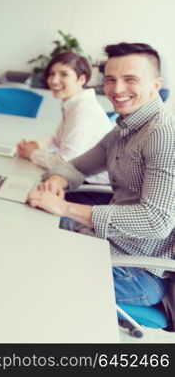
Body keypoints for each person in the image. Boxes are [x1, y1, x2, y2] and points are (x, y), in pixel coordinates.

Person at [27, 43, 175, 309]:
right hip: (107, 244)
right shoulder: (123, 130)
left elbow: (157, 221)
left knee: (33, 271)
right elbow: (77, 166)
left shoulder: (162, 134)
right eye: (110, 80)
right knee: (29, 236)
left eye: (130, 79)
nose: (117, 90)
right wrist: (57, 181)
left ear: (156, 84)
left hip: (138, 272)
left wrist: (64, 207)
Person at [16, 52, 112, 184]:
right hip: (77, 177)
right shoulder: (73, 103)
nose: (54, 80)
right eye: (52, 74)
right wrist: (36, 145)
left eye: (64, 74)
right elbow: (56, 141)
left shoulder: (84, 110)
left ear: (82, 79)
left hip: (89, 186)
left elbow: (65, 164)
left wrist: (33, 154)